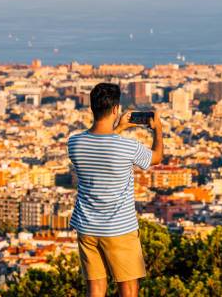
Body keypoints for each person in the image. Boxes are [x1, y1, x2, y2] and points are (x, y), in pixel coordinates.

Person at [67, 82, 163, 297]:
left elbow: (102, 146)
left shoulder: (74, 143)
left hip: (87, 227)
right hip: (119, 228)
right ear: (115, 109)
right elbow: (156, 158)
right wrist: (158, 129)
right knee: (128, 289)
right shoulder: (127, 147)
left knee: (95, 288)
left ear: (92, 108)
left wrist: (118, 128)